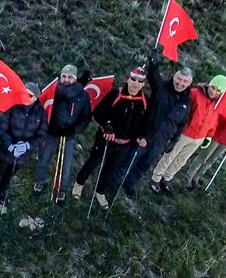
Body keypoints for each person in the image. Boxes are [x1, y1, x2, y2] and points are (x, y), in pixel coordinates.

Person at [73, 66, 151, 209]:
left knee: (110, 168)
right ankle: (79, 183)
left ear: (143, 84)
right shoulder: (116, 95)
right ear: (128, 79)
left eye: (140, 81)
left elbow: (146, 123)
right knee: (93, 162)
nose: (135, 83)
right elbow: (98, 112)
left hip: (124, 144)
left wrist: (142, 135)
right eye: (133, 79)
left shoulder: (145, 102)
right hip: (106, 139)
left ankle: (100, 192)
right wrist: (107, 126)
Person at [124, 53, 194, 194]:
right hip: (145, 135)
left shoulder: (187, 102)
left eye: (184, 81)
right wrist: (154, 63)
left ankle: (130, 183)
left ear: (189, 83)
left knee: (144, 165)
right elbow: (153, 76)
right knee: (129, 160)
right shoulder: (161, 88)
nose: (180, 83)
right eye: (179, 79)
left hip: (161, 141)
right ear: (174, 76)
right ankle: (115, 181)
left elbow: (181, 124)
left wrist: (173, 141)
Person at [150, 74, 226, 193]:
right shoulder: (195, 93)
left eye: (218, 90)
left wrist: (209, 136)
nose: (213, 91)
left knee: (182, 160)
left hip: (199, 137)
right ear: (209, 84)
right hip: (185, 132)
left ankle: (167, 178)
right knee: (171, 155)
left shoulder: (218, 104)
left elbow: (214, 122)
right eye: (212, 87)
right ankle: (156, 178)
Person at [0, 82, 46, 213]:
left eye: (29, 95)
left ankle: (1, 192)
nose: (25, 96)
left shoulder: (41, 114)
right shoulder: (11, 105)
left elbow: (41, 134)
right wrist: (10, 145)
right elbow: (0, 128)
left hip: (22, 155)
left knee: (9, 175)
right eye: (24, 93)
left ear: (36, 98)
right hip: (5, 151)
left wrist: (28, 145)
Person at [37, 64, 92, 202]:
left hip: (69, 134)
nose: (66, 79)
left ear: (75, 78)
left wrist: (75, 129)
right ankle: (39, 181)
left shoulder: (83, 96)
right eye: (64, 76)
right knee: (44, 159)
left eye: (70, 77)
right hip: (52, 131)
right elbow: (68, 93)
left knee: (66, 165)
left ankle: (63, 189)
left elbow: (86, 117)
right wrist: (81, 82)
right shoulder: (56, 89)